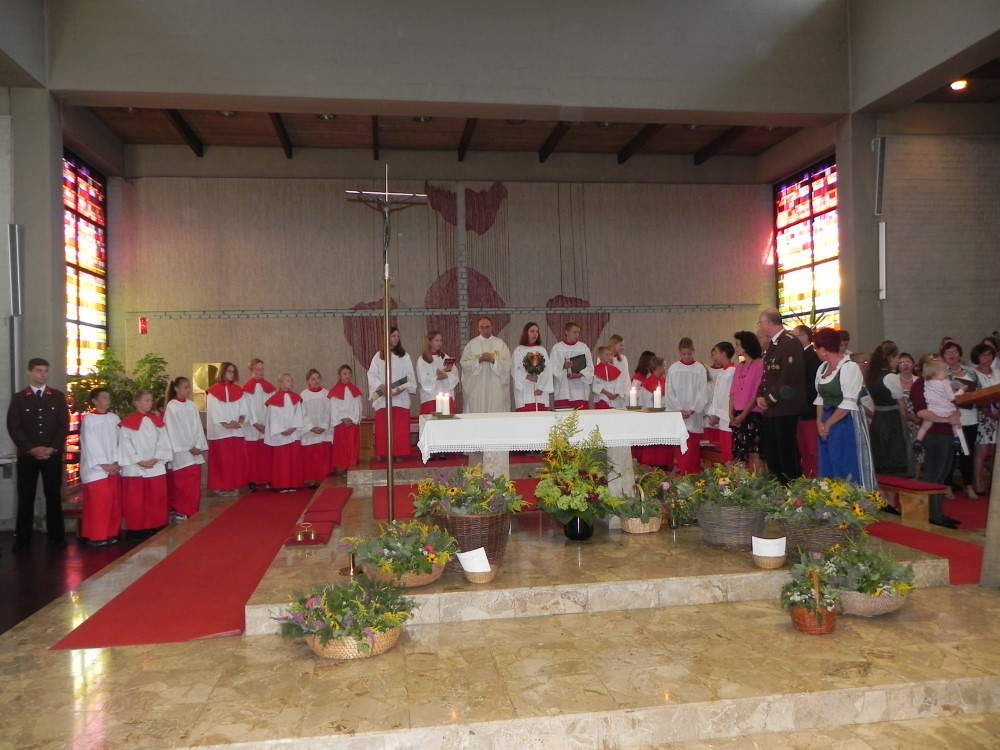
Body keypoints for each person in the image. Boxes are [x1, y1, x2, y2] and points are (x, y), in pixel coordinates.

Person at [6, 358, 70, 553]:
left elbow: (63, 425)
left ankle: (56, 537)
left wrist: (52, 448)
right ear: (29, 372)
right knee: (26, 497)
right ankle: (23, 540)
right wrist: (31, 448)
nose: (43, 374)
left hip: (52, 455)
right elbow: (14, 427)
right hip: (28, 456)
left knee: (53, 496)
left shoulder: (57, 396)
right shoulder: (19, 398)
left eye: (45, 371)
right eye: (39, 371)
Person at [812, 328, 876, 490]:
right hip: (826, 419)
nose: (816, 352)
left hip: (845, 421)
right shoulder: (822, 368)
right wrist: (819, 421)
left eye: (816, 348)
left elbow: (848, 402)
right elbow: (820, 398)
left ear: (823, 350)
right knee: (828, 460)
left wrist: (828, 423)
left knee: (845, 460)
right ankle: (829, 497)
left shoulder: (849, 367)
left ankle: (850, 497)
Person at [755, 309, 807, 484]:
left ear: (768, 323)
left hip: (785, 407)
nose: (760, 326)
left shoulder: (789, 342)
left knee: (786, 453)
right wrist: (760, 395)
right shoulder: (773, 344)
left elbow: (789, 377)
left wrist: (769, 398)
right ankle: (777, 487)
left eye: (761, 323)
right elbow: (767, 375)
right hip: (772, 410)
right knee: (773, 453)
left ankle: (791, 488)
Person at [911, 355, 962, 528]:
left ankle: (938, 513)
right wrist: (946, 419)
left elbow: (953, 403)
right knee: (934, 475)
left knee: (943, 474)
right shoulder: (920, 384)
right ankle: (932, 515)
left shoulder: (943, 382)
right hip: (934, 434)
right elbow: (921, 412)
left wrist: (955, 414)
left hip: (947, 434)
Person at [118, 390, 173, 539]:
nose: (150, 403)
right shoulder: (127, 423)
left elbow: (163, 441)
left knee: (156, 497)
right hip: (135, 468)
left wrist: (156, 457)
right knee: (136, 500)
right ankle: (137, 528)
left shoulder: (156, 421)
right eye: (146, 400)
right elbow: (125, 443)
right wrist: (137, 460)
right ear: (136, 402)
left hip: (154, 465)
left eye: (151, 400)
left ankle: (155, 524)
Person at [78, 387, 122, 547]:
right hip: (97, 470)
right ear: (94, 401)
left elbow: (120, 440)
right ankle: (96, 535)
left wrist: (116, 462)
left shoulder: (114, 418)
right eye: (104, 397)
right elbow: (90, 443)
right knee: (99, 504)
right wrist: (103, 464)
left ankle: (111, 532)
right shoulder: (89, 420)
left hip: (113, 468)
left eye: (109, 397)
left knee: (113, 503)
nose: (108, 400)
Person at [865, 341, 909, 488]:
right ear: (891, 357)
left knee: (880, 457)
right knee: (893, 457)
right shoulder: (890, 377)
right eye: (897, 358)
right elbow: (901, 404)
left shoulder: (872, 375)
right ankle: (892, 496)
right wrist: (905, 420)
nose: (898, 362)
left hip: (878, 418)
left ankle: (882, 493)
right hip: (891, 419)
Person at [368, 326, 416, 460]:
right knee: (384, 427)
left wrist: (400, 389)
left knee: (398, 427)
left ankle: (398, 453)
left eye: (397, 336)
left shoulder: (404, 356)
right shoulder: (378, 356)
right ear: (386, 338)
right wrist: (381, 386)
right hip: (383, 396)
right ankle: (382, 452)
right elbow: (372, 374)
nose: (396, 339)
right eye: (393, 336)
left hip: (400, 397)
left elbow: (410, 376)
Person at [163, 376, 208, 519]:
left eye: (189, 387)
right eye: (185, 387)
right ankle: (183, 510)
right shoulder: (172, 406)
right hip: (181, 450)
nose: (188, 390)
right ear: (176, 388)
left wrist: (198, 445)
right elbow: (175, 430)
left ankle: (193, 509)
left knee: (194, 481)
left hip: (194, 448)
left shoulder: (191, 405)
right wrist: (189, 446)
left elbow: (198, 427)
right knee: (184, 482)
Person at [665, 337, 710, 474]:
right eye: (684, 354)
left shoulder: (700, 369)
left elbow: (703, 392)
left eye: (689, 354)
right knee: (680, 450)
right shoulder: (673, 368)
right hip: (678, 415)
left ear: (693, 351)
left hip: (693, 416)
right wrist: (679, 409)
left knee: (692, 451)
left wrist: (693, 409)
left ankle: (692, 477)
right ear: (679, 352)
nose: (686, 357)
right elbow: (669, 392)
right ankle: (684, 476)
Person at [942, 340, 979, 498]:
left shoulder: (970, 371)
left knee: (968, 453)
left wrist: (972, 395)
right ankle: (947, 486)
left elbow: (979, 390)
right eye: (948, 353)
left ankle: (968, 485)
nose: (952, 355)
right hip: (951, 417)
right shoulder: (942, 373)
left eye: (954, 352)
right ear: (943, 356)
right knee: (950, 453)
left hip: (970, 416)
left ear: (960, 354)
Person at [206, 361, 248, 497]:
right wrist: (225, 424)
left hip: (236, 431)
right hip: (221, 432)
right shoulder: (213, 392)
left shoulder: (239, 390)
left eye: (233, 371)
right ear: (222, 372)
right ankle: (222, 486)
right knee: (222, 461)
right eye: (229, 371)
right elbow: (215, 411)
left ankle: (234, 485)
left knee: (235, 461)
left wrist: (239, 422)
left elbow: (244, 409)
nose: (232, 374)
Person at [913, 357, 967, 456]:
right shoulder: (945, 383)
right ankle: (956, 438)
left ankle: (918, 440)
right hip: (946, 409)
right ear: (936, 373)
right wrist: (961, 390)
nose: (947, 372)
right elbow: (952, 397)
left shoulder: (927, 382)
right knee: (956, 423)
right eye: (945, 370)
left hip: (932, 409)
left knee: (925, 426)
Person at [460, 316, 511, 413]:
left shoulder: (500, 344)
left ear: (492, 327)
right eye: (482, 327)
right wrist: (478, 361)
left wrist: (493, 360)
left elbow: (507, 364)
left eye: (487, 327)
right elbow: (464, 363)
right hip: (477, 386)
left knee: (496, 409)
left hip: (495, 385)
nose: (485, 330)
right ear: (478, 329)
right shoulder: (471, 345)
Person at [730, 332, 764, 471]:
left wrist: (744, 415)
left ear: (747, 345)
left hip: (753, 414)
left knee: (754, 452)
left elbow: (756, 393)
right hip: (738, 414)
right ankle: (742, 482)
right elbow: (733, 392)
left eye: (738, 344)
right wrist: (731, 413)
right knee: (739, 454)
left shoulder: (760, 364)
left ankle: (758, 481)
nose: (736, 347)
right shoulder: (739, 367)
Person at [265, 373, 304, 493]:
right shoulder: (274, 400)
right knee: (282, 461)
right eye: (288, 380)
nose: (291, 383)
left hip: (293, 433)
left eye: (291, 380)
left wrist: (293, 428)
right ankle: (282, 484)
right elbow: (273, 418)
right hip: (281, 435)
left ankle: (293, 483)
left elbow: (299, 414)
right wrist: (281, 430)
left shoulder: (296, 398)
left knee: (293, 460)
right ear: (280, 383)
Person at [242, 358, 276, 492]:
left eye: (262, 369)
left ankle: (268, 478)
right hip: (252, 427)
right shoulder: (246, 389)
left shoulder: (269, 388)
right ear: (251, 371)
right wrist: (256, 423)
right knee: (252, 455)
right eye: (257, 369)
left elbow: (272, 406)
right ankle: (252, 480)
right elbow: (246, 408)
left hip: (266, 426)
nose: (261, 371)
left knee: (266, 454)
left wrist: (268, 423)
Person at [792, 325, 821, 478]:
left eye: (795, 336)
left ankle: (816, 479)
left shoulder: (812, 357)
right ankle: (808, 479)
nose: (792, 339)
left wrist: (794, 393)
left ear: (804, 337)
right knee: (803, 449)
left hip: (809, 410)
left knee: (812, 449)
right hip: (800, 410)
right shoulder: (800, 355)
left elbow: (812, 386)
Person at [970, 343, 998, 496]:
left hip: (998, 415)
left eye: (989, 354)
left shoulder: (998, 372)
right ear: (977, 357)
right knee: (982, 451)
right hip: (982, 416)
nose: (987, 358)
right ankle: (978, 483)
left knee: (996, 452)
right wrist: (988, 411)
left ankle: (994, 483)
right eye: (983, 355)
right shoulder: (973, 374)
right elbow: (973, 397)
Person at [636, 356, 672, 468]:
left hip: (662, 419)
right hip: (652, 420)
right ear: (658, 367)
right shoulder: (647, 384)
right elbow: (645, 403)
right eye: (664, 365)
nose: (665, 368)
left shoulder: (665, 382)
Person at [550, 321, 594, 409]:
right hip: (563, 390)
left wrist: (580, 374)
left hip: (580, 390)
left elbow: (590, 367)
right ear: (566, 332)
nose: (577, 335)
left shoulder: (583, 347)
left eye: (578, 332)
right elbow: (552, 367)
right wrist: (563, 366)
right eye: (574, 332)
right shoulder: (557, 348)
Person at [299, 369, 331, 488]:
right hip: (310, 432)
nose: (316, 381)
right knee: (311, 457)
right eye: (313, 379)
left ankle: (325, 479)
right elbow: (302, 414)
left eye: (318, 378)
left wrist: (323, 426)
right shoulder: (303, 395)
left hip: (323, 430)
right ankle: (312, 479)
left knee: (323, 456)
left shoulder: (326, 394)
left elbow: (329, 412)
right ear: (308, 381)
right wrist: (311, 427)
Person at [511, 321, 553, 411]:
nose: (535, 334)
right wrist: (527, 376)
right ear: (526, 333)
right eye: (532, 331)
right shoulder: (519, 350)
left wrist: (541, 388)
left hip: (539, 391)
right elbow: (514, 370)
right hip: (525, 391)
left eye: (537, 331)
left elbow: (548, 371)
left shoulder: (542, 350)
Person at [705, 342, 736, 464]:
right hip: (721, 418)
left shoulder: (732, 372)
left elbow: (725, 397)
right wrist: (713, 414)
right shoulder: (723, 372)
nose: (714, 356)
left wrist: (716, 414)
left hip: (727, 417)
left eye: (716, 353)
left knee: (730, 451)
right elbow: (716, 396)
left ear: (724, 354)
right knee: (724, 451)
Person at [329, 365, 362, 474]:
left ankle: (351, 466)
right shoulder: (335, 391)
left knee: (352, 445)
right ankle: (343, 468)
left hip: (351, 423)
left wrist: (353, 419)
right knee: (342, 446)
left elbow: (358, 407)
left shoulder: (354, 390)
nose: (347, 375)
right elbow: (333, 408)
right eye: (344, 373)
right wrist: (341, 419)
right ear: (339, 376)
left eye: (349, 373)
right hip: (341, 423)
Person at [416, 331, 459, 414]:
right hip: (430, 397)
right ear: (429, 342)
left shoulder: (444, 356)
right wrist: (437, 377)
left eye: (440, 340)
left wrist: (446, 374)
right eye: (437, 340)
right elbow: (423, 379)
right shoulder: (422, 359)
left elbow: (454, 373)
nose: (439, 343)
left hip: (445, 395)